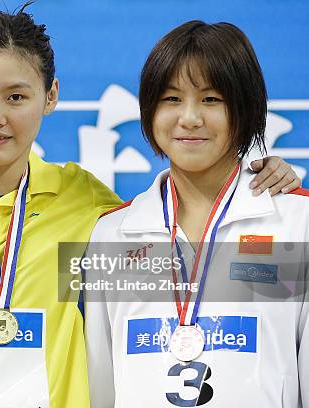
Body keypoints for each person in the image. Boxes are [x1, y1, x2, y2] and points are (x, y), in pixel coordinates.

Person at [0, 5, 300, 407]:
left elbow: (180, 257)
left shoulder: (89, 205)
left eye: (16, 97)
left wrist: (265, 182)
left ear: (50, 97)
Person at [85, 21, 308, 407]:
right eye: (171, 99)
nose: (189, 118)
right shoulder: (114, 234)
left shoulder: (296, 222)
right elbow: (100, 382)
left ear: (246, 109)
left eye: (211, 99)